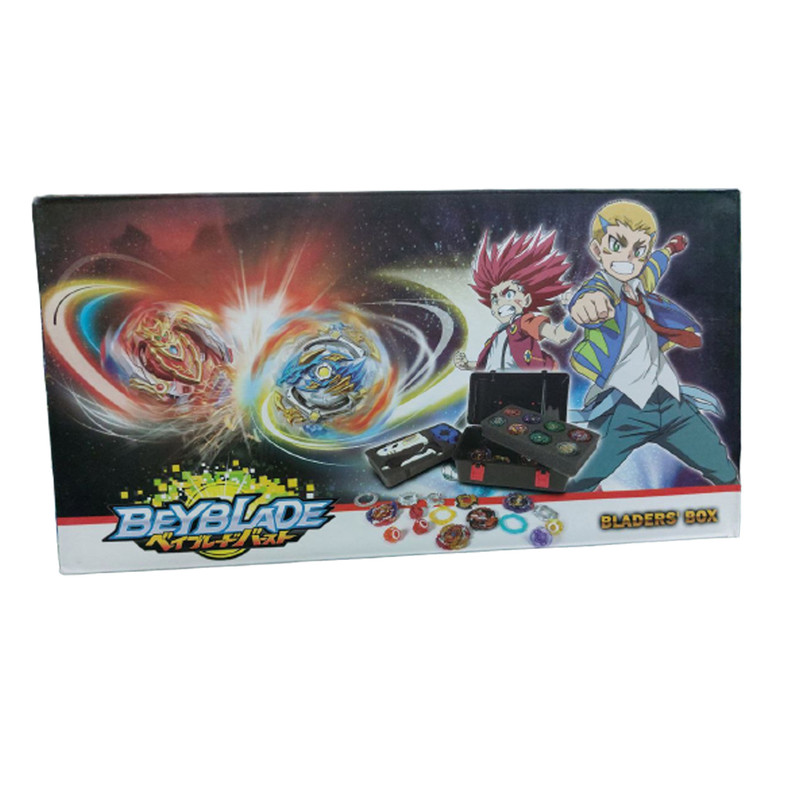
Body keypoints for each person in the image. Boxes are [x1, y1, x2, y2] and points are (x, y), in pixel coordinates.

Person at [567, 200, 738, 491]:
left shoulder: (640, 283)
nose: (628, 257)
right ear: (597, 250)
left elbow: (656, 264)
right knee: (581, 477)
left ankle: (729, 507)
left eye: (639, 250)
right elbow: (588, 298)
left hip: (671, 405)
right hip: (625, 410)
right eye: (617, 245)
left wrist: (670, 248)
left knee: (722, 468)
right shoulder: (601, 291)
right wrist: (586, 305)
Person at [454, 229, 574, 371]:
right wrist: (467, 365)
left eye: (509, 294)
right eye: (495, 299)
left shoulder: (525, 323)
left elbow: (558, 336)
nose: (500, 302)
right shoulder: (497, 336)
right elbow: (489, 364)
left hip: (527, 381)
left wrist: (573, 315)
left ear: (526, 300)